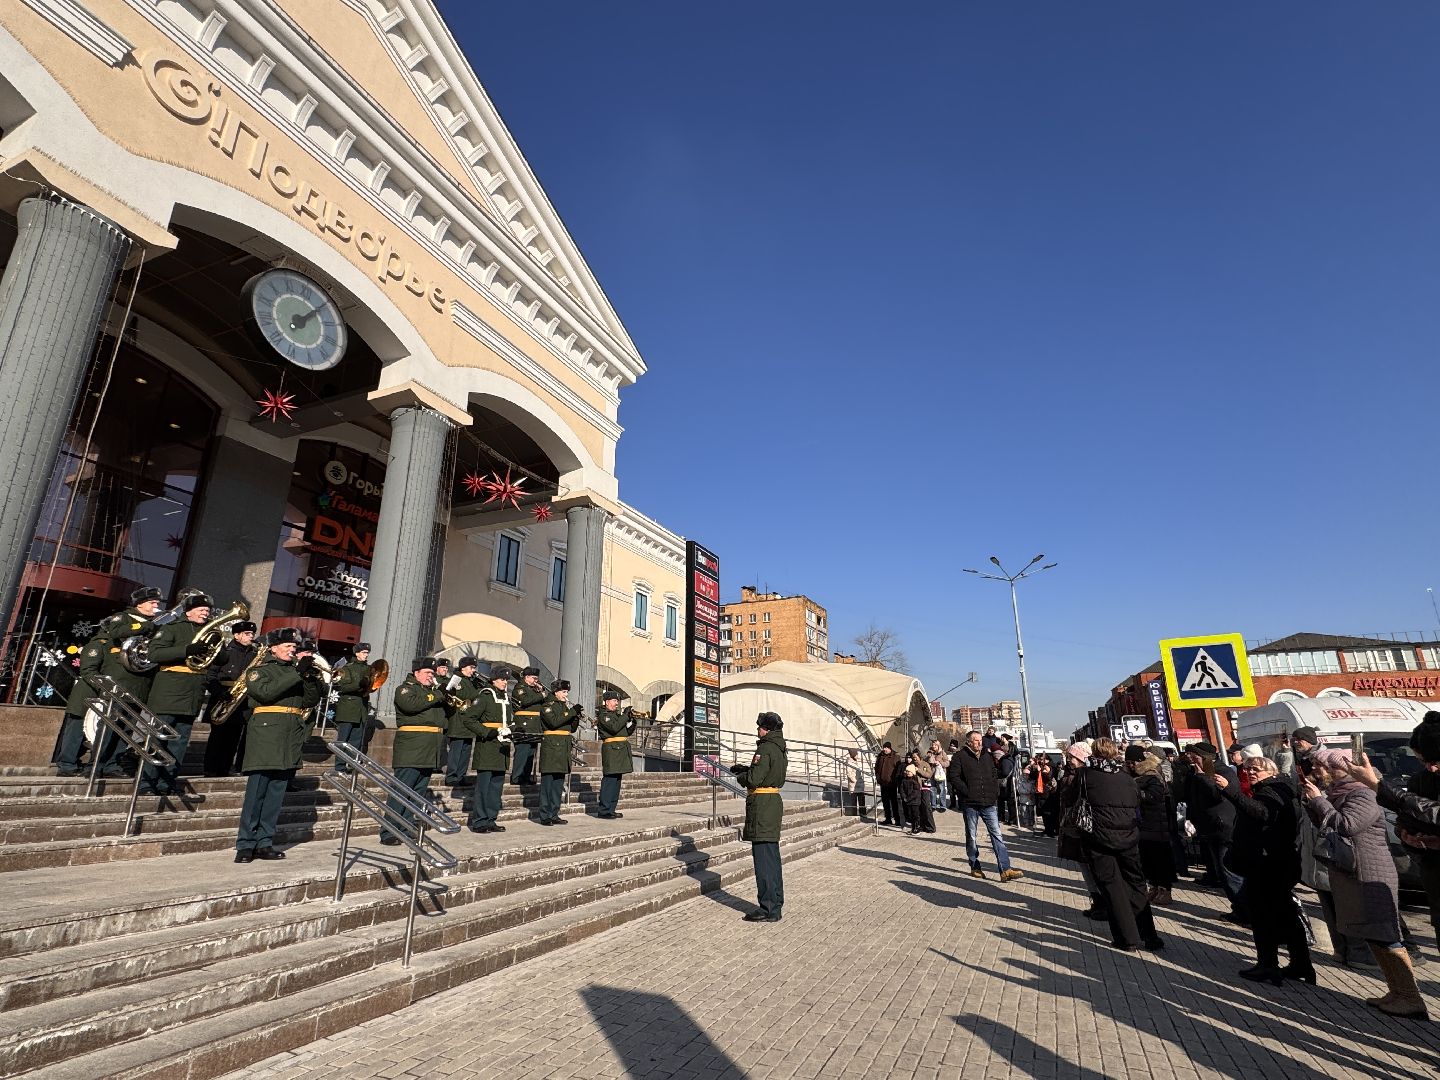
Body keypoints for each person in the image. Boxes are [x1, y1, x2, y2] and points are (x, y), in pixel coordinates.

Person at [1303, 747, 1427, 1019]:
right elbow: (1328, 824)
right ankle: (1396, 991)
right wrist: (1313, 802)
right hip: (1357, 871)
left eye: (1329, 767)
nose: (1322, 771)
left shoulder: (1362, 793)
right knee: (1374, 936)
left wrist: (1319, 802)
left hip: (1372, 872)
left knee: (1387, 936)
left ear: (1346, 769)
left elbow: (1347, 825)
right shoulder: (1341, 793)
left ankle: (1410, 997)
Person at [1216, 755, 1313, 984]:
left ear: (1271, 770)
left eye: (1256, 769)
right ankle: (1300, 964)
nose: (1250, 772)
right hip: (1273, 862)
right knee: (1285, 914)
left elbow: (1261, 813)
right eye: (1248, 769)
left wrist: (1230, 791)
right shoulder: (1276, 788)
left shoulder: (1273, 790)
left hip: (1269, 864)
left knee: (1263, 916)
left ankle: (1268, 964)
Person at [1345, 715, 1440, 945]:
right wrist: (1406, 836)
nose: (1432, 767)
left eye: (1436, 760)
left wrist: (1378, 786)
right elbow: (1407, 818)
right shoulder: (1423, 780)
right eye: (1423, 761)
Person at [55, 585, 165, 777]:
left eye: (157, 602)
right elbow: (90, 669)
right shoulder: (109, 635)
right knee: (80, 730)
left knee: (123, 731)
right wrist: (144, 626)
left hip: (133, 689)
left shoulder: (154, 627)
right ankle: (69, 764)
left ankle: (110, 764)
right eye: (152, 602)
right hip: (95, 692)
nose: (156, 605)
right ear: (139, 604)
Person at [1067, 738, 1163, 952]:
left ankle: (1127, 938)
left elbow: (1069, 798)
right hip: (1129, 838)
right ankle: (1150, 936)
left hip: (1099, 839)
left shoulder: (1085, 775)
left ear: (1093, 753)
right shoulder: (1126, 777)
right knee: (1137, 885)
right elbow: (1136, 801)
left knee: (1112, 888)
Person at [234, 627, 320, 863]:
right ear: (273, 648)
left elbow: (310, 700)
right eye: (288, 647)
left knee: (275, 794)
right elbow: (265, 693)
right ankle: (245, 844)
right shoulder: (260, 670)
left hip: (289, 735)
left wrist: (311, 679)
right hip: (266, 733)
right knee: (256, 793)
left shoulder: (296, 671)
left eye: (294, 647)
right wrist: (297, 674)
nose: (292, 651)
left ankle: (265, 842)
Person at [138, 590, 213, 796]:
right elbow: (154, 653)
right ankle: (147, 781)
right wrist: (187, 650)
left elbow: (218, 658)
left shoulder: (209, 632)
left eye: (207, 610)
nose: (205, 613)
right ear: (188, 612)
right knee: (158, 739)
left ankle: (167, 782)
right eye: (201, 610)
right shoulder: (172, 628)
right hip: (168, 693)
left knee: (180, 742)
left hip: (191, 694)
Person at [381, 658, 447, 846]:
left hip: (428, 749)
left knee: (417, 793)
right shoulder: (406, 689)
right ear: (416, 673)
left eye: (433, 673)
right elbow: (412, 706)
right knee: (401, 791)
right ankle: (389, 831)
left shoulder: (431, 692)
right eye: (428, 673)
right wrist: (437, 696)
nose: (431, 677)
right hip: (411, 748)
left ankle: (407, 827)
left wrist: (445, 696)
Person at [731, 712, 788, 922]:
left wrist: (742, 775)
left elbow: (755, 778)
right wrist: (747, 769)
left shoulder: (765, 747)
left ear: (767, 729)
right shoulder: (780, 748)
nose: (758, 730)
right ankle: (776, 903)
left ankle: (768, 908)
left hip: (762, 806)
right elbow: (769, 772)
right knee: (772, 859)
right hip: (772, 803)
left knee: (763, 861)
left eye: (760, 727)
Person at [1183, 742, 1246, 921]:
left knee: (1229, 871)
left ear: (1205, 757)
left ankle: (1244, 910)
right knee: (1221, 871)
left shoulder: (1219, 771)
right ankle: (1239, 908)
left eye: (1195, 757)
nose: (1192, 760)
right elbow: (1193, 798)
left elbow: (1217, 795)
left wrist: (1202, 777)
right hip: (1209, 828)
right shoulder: (1197, 772)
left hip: (1223, 828)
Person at [952, 731, 1022, 882]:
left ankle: (1005, 869)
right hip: (970, 804)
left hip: (989, 803)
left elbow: (996, 773)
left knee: (997, 835)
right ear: (969, 742)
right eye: (976, 740)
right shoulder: (960, 757)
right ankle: (975, 866)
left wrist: (994, 791)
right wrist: (966, 792)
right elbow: (953, 777)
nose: (979, 743)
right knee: (971, 836)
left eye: (980, 740)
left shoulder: (987, 755)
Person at [202, 620, 257, 777]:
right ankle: (211, 768)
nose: (251, 637)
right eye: (247, 634)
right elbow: (210, 675)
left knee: (234, 737)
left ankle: (224, 768)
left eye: (252, 634)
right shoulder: (224, 651)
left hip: (243, 700)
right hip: (224, 696)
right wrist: (219, 692)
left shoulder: (254, 654)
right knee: (218, 736)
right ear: (237, 635)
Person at [461, 666, 512, 833]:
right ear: (493, 680)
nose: (505, 682)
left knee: (496, 788)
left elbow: (507, 721)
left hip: (502, 748)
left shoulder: (505, 698)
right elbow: (469, 719)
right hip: (488, 746)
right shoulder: (485, 696)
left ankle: (490, 819)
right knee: (484, 787)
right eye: (502, 679)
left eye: (506, 680)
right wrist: (486, 732)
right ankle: (480, 821)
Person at [1127, 745, 1176, 905]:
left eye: (1132, 762)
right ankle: (1154, 887)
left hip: (1156, 826)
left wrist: (1136, 794)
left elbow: (1155, 796)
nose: (1130, 765)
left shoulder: (1153, 775)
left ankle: (1165, 890)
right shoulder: (1133, 777)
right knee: (1148, 861)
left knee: (1159, 860)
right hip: (1143, 826)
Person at [537, 679, 581, 825]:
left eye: (567, 692)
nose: (566, 695)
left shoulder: (564, 707)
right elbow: (554, 722)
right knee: (548, 784)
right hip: (551, 747)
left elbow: (571, 728)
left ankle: (554, 813)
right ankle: (544, 815)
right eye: (563, 692)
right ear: (556, 692)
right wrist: (571, 713)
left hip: (563, 748)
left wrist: (576, 717)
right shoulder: (547, 706)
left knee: (557, 784)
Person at [330, 642, 377, 769]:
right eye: (364, 653)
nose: (366, 655)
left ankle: (351, 765)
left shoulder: (369, 669)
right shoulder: (347, 668)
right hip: (348, 709)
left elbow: (372, 686)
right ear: (357, 653)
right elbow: (343, 687)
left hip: (361, 709)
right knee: (343, 739)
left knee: (356, 740)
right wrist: (359, 685)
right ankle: (339, 766)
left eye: (367, 653)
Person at [595, 688, 634, 818]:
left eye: (617, 701)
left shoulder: (617, 716)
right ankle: (604, 810)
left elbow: (626, 732)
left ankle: (611, 808)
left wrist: (632, 722)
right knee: (610, 780)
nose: (616, 703)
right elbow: (614, 728)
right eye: (613, 701)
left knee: (617, 781)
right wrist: (624, 716)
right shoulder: (604, 716)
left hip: (620, 750)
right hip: (612, 750)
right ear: (606, 702)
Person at [442, 656, 481, 786]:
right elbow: (461, 696)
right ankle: (452, 776)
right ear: (463, 667)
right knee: (456, 751)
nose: (473, 670)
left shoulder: (471, 681)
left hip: (468, 721)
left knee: (465, 751)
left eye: (474, 667)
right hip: (458, 719)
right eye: (471, 667)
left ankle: (461, 775)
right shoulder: (456, 679)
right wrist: (478, 692)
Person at [508, 666, 547, 785]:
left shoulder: (535, 690)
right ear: (526, 677)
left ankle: (526, 775)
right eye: (534, 678)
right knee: (522, 751)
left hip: (535, 724)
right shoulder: (520, 688)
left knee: (531, 753)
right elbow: (525, 701)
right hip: (524, 723)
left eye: (537, 678)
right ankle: (517, 776)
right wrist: (541, 695)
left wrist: (541, 692)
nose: (536, 680)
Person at [906, 750, 936, 833]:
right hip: (915, 790)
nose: (914, 759)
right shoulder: (911, 765)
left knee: (926, 807)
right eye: (913, 757)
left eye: (916, 757)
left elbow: (929, 775)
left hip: (924, 788)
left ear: (920, 757)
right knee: (919, 809)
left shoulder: (925, 764)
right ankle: (921, 826)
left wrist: (918, 770)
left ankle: (930, 827)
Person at [876, 741, 902, 827]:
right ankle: (888, 819)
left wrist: (895, 780)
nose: (884, 749)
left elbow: (898, 769)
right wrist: (878, 778)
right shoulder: (880, 756)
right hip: (883, 783)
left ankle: (897, 819)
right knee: (885, 802)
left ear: (890, 748)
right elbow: (876, 767)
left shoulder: (895, 756)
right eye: (884, 748)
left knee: (894, 802)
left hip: (892, 783)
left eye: (886, 748)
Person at [841, 746, 868, 819]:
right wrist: (855, 781)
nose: (857, 756)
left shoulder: (855, 762)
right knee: (854, 801)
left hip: (859, 785)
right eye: (856, 754)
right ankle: (854, 814)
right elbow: (849, 774)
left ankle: (863, 813)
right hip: (854, 785)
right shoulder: (849, 762)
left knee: (862, 799)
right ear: (853, 755)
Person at [900, 764, 924, 833]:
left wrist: (908, 798)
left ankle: (917, 828)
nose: (907, 773)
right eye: (907, 771)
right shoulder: (904, 780)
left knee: (915, 815)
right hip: (908, 801)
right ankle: (913, 828)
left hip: (915, 801)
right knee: (910, 815)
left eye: (909, 771)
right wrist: (904, 797)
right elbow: (902, 790)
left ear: (912, 772)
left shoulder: (915, 780)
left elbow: (916, 792)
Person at [928, 739, 950, 813]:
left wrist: (940, 762)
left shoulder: (942, 753)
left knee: (941, 790)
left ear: (938, 745)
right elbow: (927, 761)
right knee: (932, 790)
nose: (933, 746)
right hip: (932, 774)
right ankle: (933, 805)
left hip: (940, 774)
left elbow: (947, 763)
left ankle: (942, 806)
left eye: (935, 745)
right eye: (932, 745)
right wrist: (930, 758)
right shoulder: (930, 753)